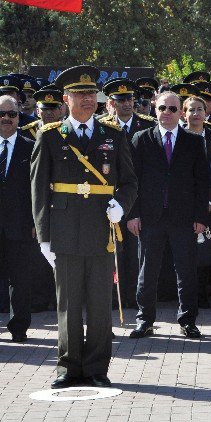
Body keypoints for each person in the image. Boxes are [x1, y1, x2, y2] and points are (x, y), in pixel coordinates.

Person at [31, 65, 138, 388]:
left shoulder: (113, 135)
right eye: (80, 95)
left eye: (91, 94)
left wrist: (121, 204)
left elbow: (130, 181)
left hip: (102, 231)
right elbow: (38, 189)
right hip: (63, 231)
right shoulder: (50, 136)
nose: (87, 100)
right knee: (68, 304)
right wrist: (44, 237)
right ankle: (68, 366)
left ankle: (96, 368)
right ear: (65, 99)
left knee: (99, 305)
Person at [127, 91, 211, 339]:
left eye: (173, 109)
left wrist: (200, 217)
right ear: (155, 109)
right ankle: (145, 320)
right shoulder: (141, 139)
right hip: (150, 217)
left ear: (181, 113)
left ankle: (188, 321)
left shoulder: (194, 141)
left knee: (186, 271)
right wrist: (133, 214)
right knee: (148, 271)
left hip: (183, 218)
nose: (167, 113)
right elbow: (132, 180)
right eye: (163, 108)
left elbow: (201, 182)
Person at [99, 78, 156, 309]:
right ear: (110, 103)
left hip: (137, 199)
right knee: (111, 251)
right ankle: (113, 296)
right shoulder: (100, 126)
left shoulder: (147, 126)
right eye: (120, 100)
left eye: (130, 99)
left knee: (136, 253)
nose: (126, 104)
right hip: (108, 199)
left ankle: (135, 297)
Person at [0, 95, 35, 342]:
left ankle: (19, 328)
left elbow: (38, 189)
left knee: (20, 280)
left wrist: (36, 222)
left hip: (21, 225)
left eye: (11, 114)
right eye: (1, 114)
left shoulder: (30, 147)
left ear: (19, 117)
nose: (6, 119)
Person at [182, 95, 211, 309]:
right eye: (191, 110)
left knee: (209, 248)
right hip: (187, 201)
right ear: (183, 113)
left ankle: (208, 291)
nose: (196, 114)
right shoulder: (180, 137)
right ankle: (193, 294)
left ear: (206, 113)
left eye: (200, 109)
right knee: (190, 250)